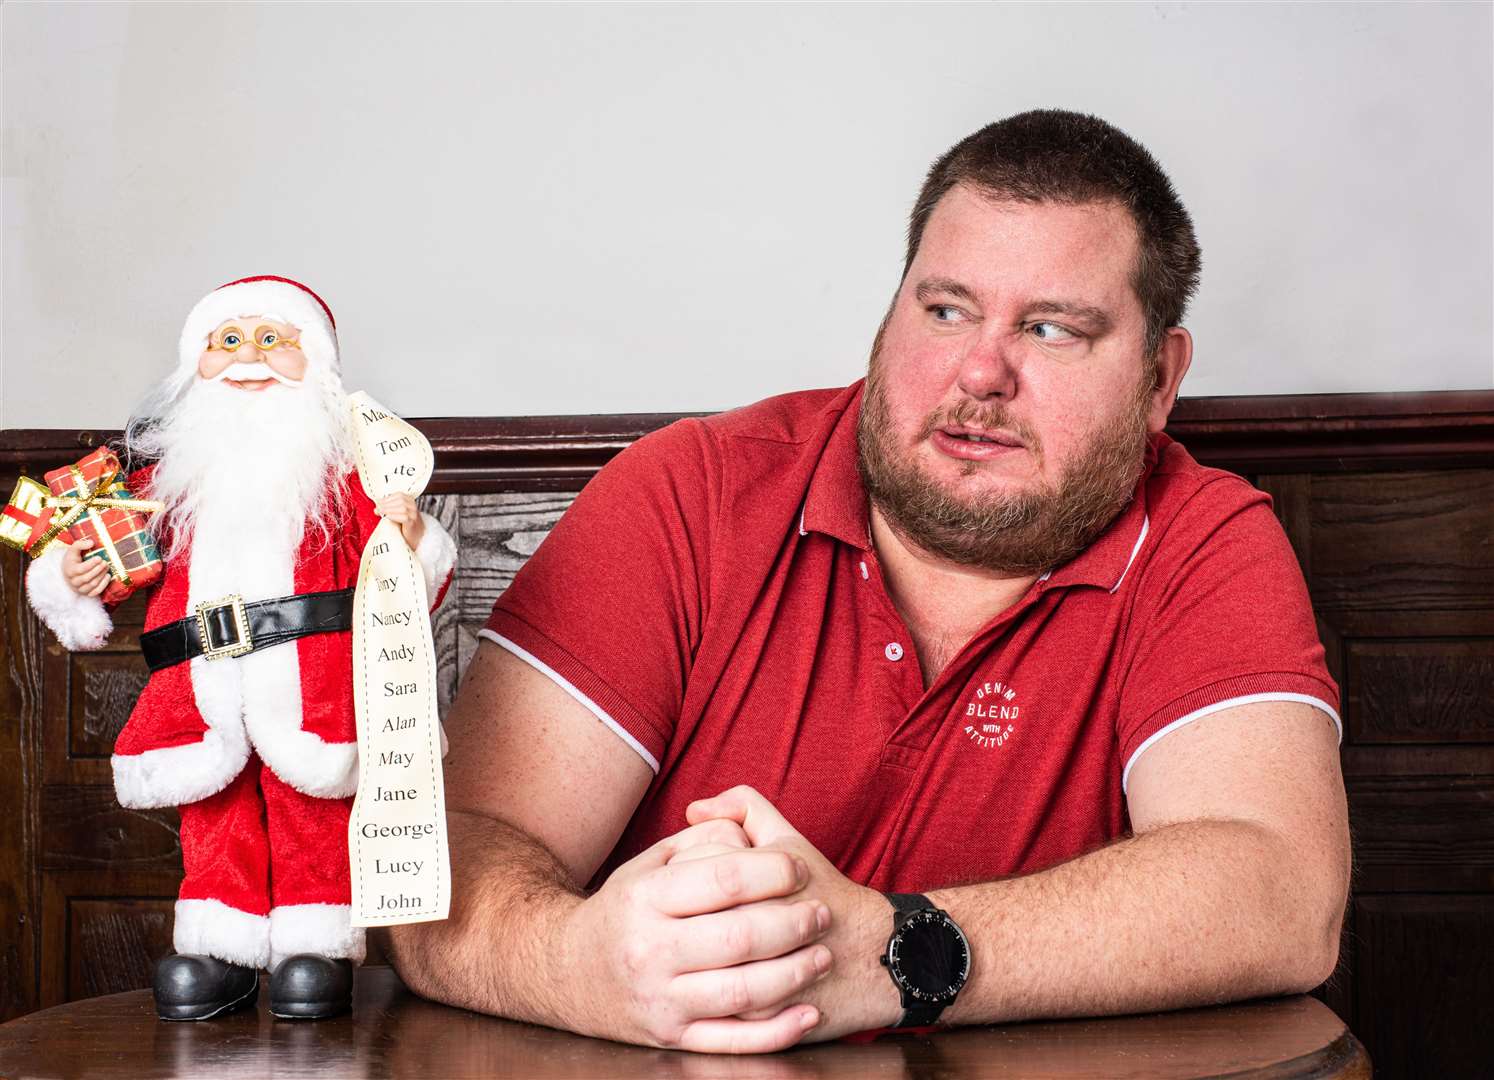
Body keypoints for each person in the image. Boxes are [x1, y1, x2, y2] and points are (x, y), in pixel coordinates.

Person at [386, 110, 1349, 1054]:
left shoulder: (1203, 540)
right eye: (945, 309)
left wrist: (896, 953)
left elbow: (1280, 892)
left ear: (1158, 379)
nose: (980, 371)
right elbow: (452, 851)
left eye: (1052, 330)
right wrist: (576, 963)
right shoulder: (693, 493)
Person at [26, 276, 458, 1021]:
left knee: (311, 815)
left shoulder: (347, 478)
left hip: (314, 688)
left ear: (315, 364)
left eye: (272, 340)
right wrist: (71, 577)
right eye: (227, 342)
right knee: (214, 817)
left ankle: (314, 947)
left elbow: (410, 581)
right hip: (200, 690)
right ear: (195, 363)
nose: (248, 358)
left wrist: (412, 537)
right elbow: (102, 568)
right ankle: (219, 950)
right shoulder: (166, 485)